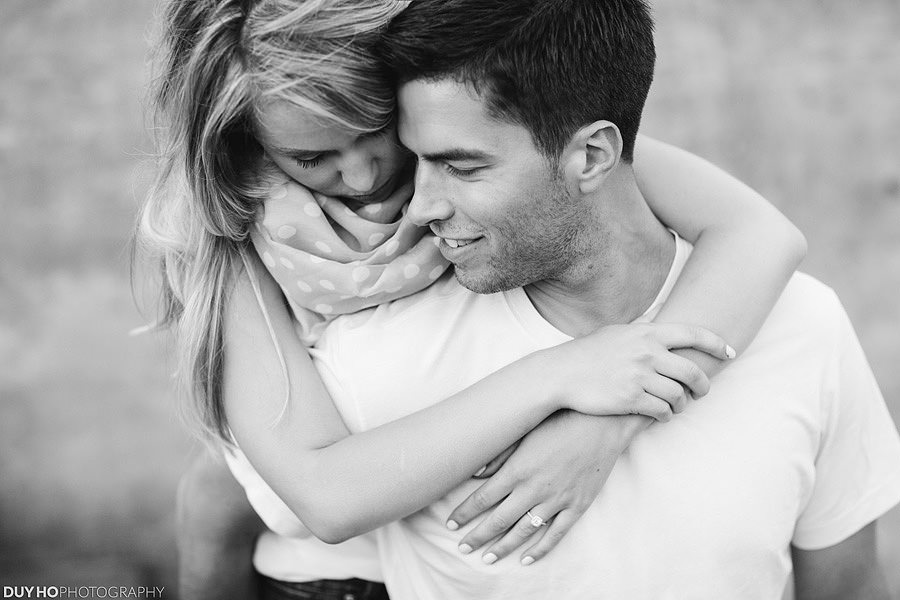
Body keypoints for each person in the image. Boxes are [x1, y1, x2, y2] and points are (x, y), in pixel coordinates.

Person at [141, 0, 806, 598]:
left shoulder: (481, 136)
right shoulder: (230, 221)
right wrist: (560, 375)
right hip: (327, 568)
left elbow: (760, 233)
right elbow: (318, 498)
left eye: (375, 128)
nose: (364, 175)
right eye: (312, 158)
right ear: (249, 145)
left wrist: (604, 425)